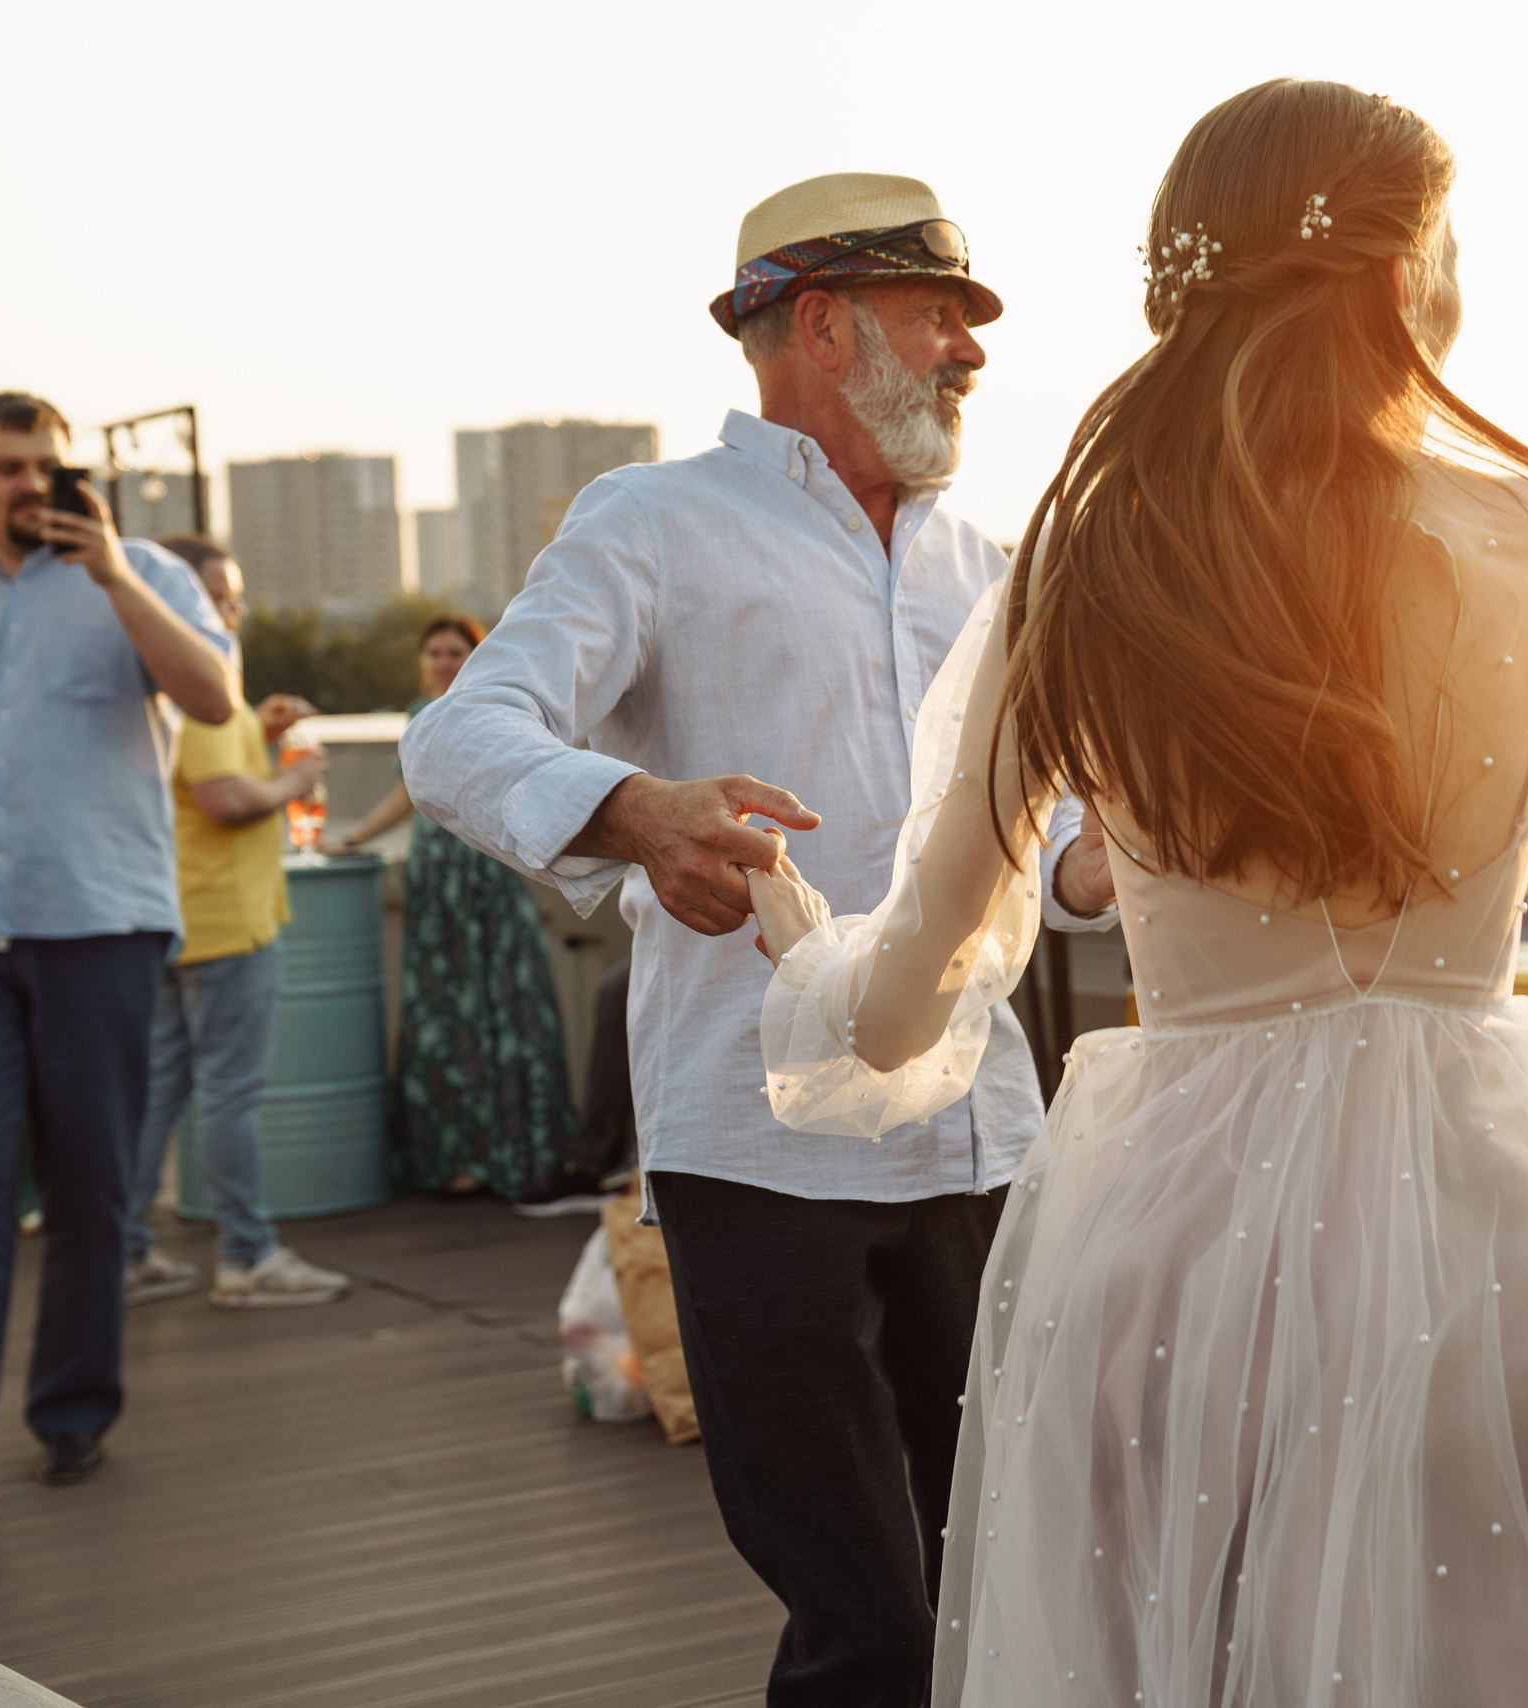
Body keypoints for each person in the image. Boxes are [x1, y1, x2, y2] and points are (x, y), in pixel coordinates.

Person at [745, 85, 1528, 1705]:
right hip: (1470, 1212)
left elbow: (899, 1007)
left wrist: (800, 931)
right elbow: (1504, 849)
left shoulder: (1093, 555)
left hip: (1178, 1236)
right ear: (1400, 270)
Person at [401, 172, 1116, 1704]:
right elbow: (457, 745)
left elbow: (1048, 841)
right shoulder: (652, 522)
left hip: (981, 1143)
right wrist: (637, 811)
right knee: (864, 1622)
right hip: (758, 1148)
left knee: (999, 1587)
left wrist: (1124, 856)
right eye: (942, 318)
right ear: (824, 323)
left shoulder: (988, 563)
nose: (971, 354)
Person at [0, 392, 235, 1543]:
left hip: (98, 928)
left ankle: (72, 1409)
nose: (29, 483)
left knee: (88, 1185)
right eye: (7, 465)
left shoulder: (146, 574)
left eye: (46, 465)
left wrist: (114, 571)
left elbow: (212, 697)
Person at [122, 534, 352, 1310]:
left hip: (176, 915)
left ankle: (125, 1253)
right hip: (227, 925)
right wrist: (291, 779)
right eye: (217, 595)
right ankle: (247, 1258)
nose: (230, 611)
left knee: (158, 1095)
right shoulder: (206, 675)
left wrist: (258, 731)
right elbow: (221, 796)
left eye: (234, 596)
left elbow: (202, 772)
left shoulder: (162, 679)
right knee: (228, 1095)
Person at [326, 614, 580, 1201]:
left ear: (476, 656)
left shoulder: (500, 711)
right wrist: (354, 838)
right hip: (437, 883)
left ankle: (518, 1153)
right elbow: (406, 794)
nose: (443, 661)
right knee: (446, 1020)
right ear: (421, 662)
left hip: (490, 877)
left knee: (508, 1011)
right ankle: (457, 1157)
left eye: (454, 651)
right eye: (433, 652)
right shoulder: (422, 716)